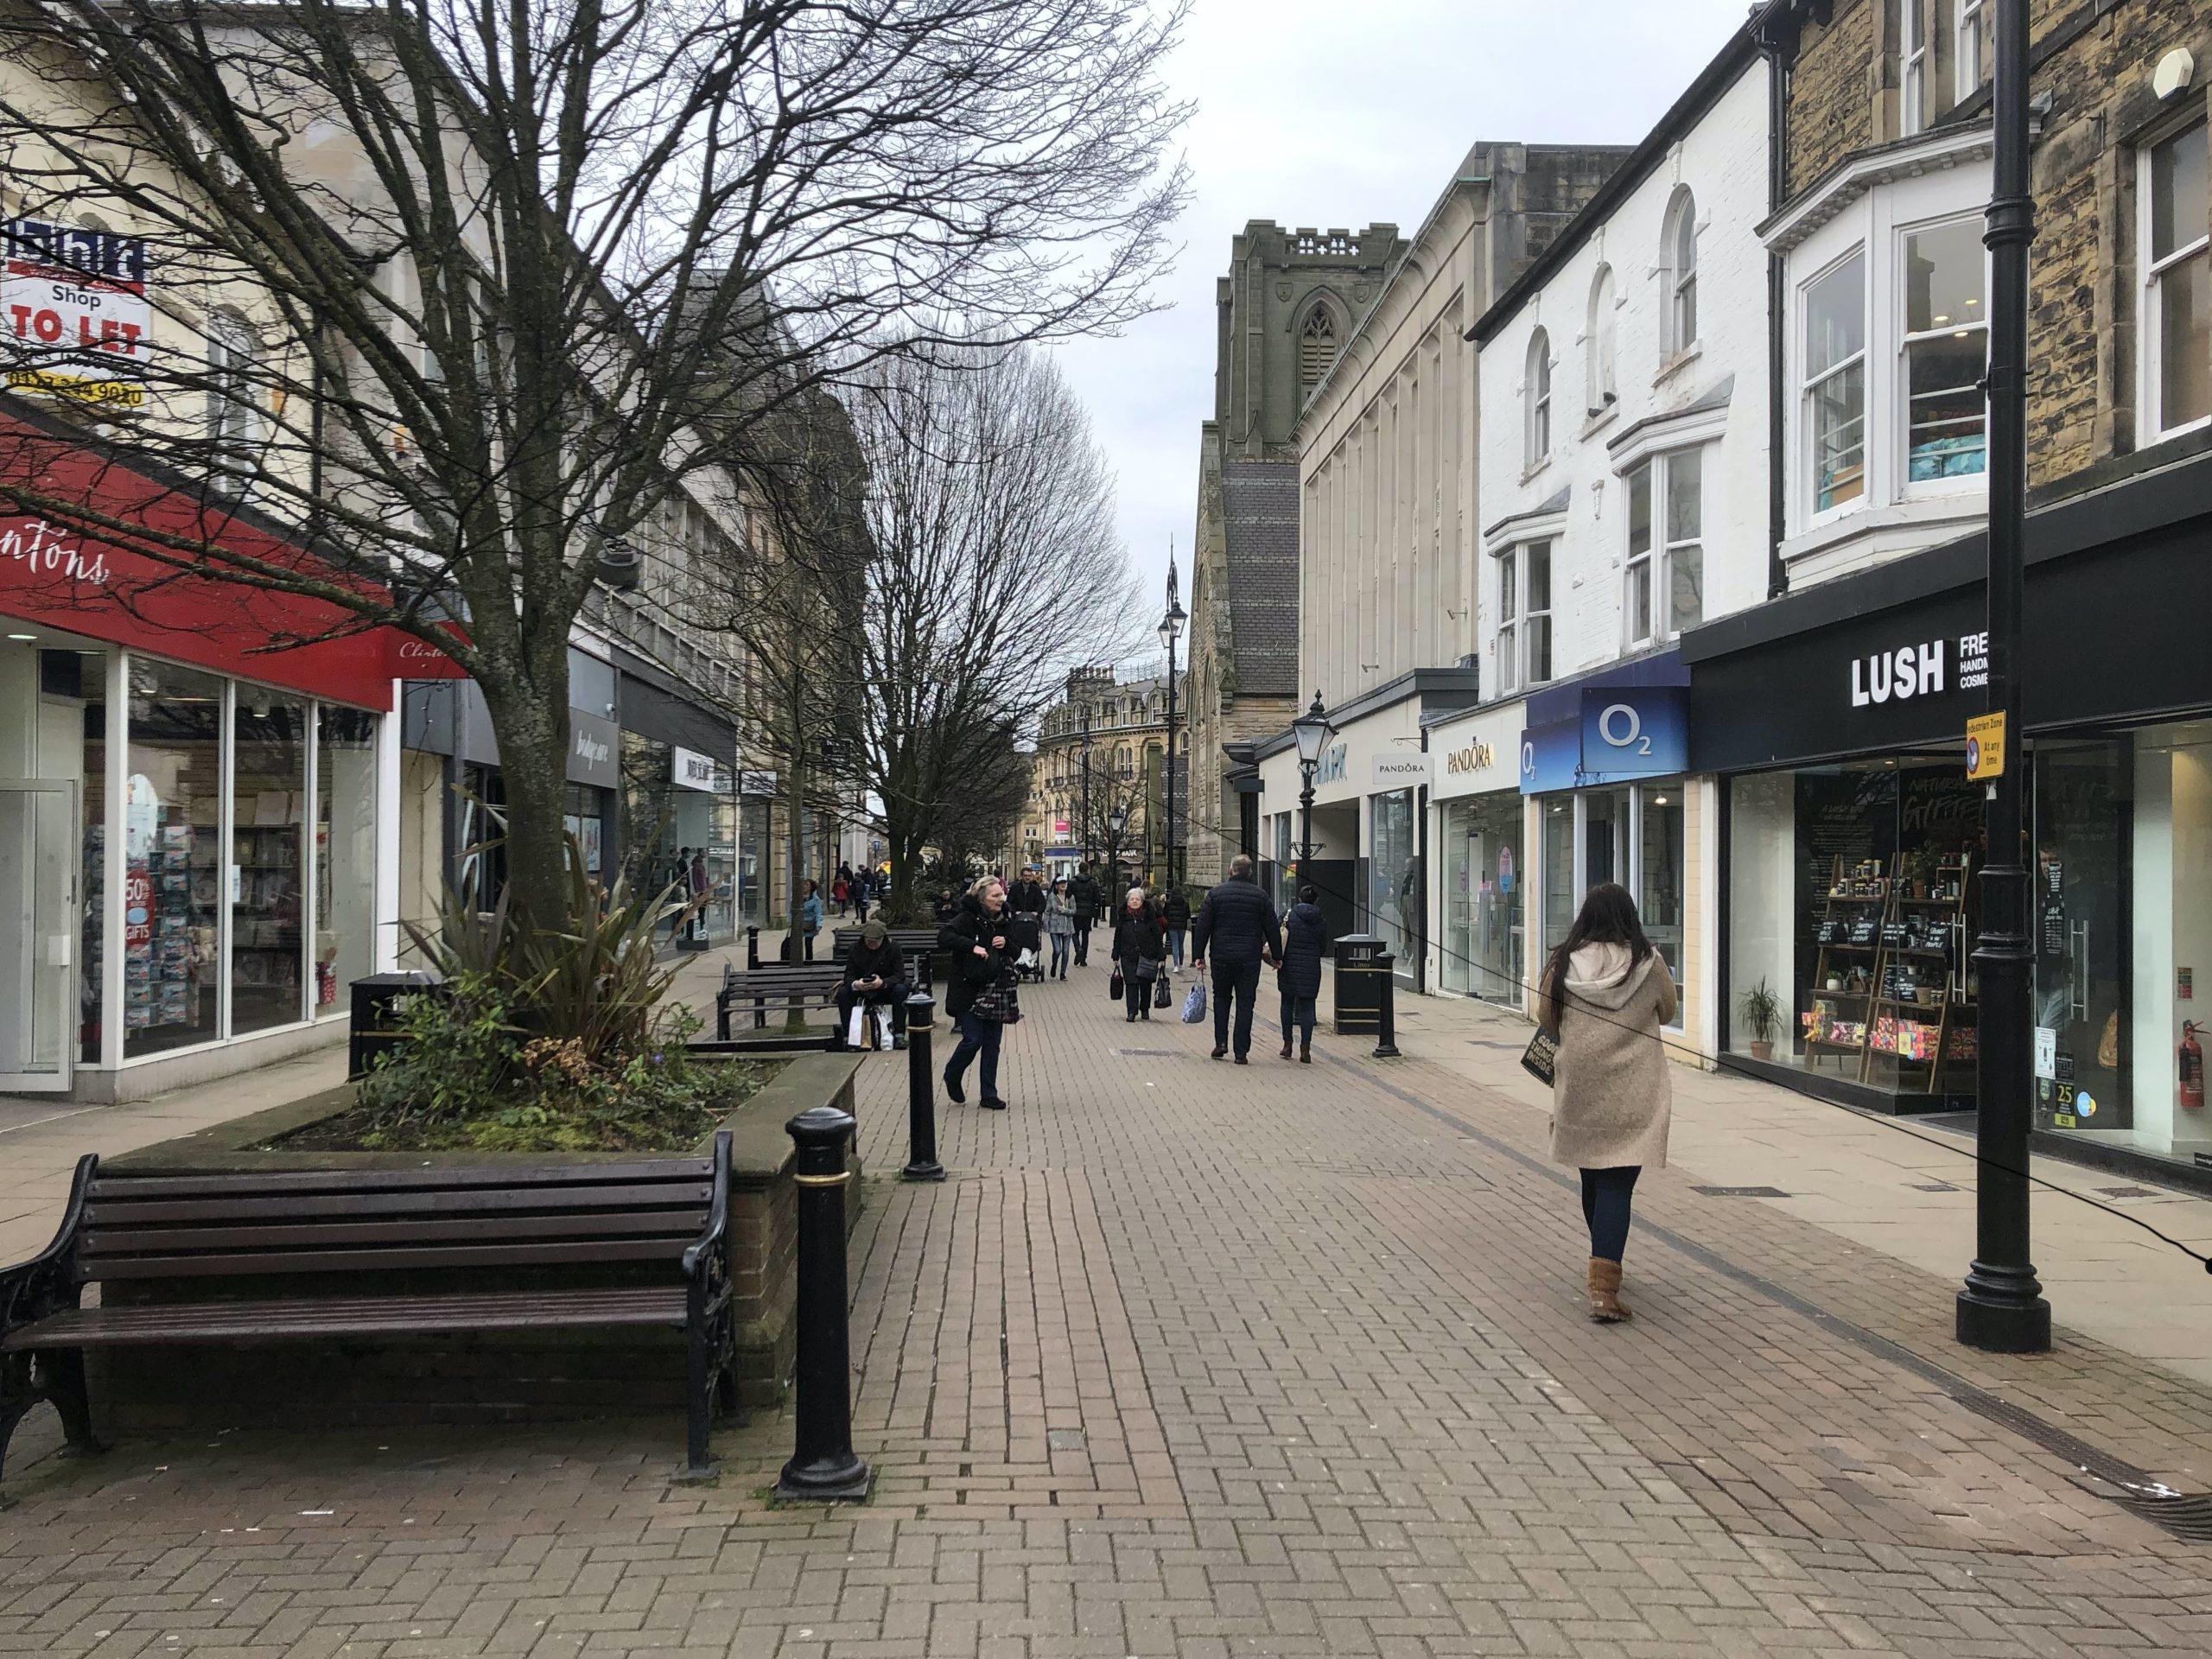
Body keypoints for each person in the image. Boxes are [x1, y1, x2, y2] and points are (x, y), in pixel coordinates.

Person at [1531, 882, 1677, 1325]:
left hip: (1580, 1084)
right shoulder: (1647, 963)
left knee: (1593, 1176)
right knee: (1618, 1183)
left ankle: (1603, 1264)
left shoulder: (1561, 962)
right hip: (1635, 1088)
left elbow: (1544, 1016)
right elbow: (1668, 1011)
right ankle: (1604, 1284)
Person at [1192, 854, 1281, 1064]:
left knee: (1221, 999)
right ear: (1250, 873)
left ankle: (1221, 1043)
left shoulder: (1215, 895)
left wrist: (1198, 956)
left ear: (1230, 871)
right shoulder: (1261, 897)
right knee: (1245, 1002)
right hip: (1249, 958)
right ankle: (1241, 1052)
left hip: (1221, 956)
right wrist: (1277, 956)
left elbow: (1203, 927)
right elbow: (1272, 929)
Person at [938, 875, 1015, 1110]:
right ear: (982, 898)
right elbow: (944, 938)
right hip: (969, 989)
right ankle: (952, 1074)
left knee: (992, 1044)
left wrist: (1007, 943)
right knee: (973, 1040)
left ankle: (989, 1094)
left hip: (997, 988)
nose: (1000, 900)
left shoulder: (1004, 919)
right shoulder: (967, 918)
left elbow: (1017, 948)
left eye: (1001, 895)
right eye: (995, 896)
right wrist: (972, 946)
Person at [1275, 884, 1331, 1063]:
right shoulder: (1320, 919)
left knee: (1287, 1004)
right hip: (1311, 967)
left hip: (1289, 965)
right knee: (1308, 1007)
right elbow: (1323, 946)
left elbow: (1278, 936)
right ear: (1316, 900)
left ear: (1299, 898)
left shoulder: (1289, 915)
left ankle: (1287, 1044)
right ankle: (1305, 1049)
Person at [836, 918, 908, 1049]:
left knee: (901, 990)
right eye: (869, 941)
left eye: (875, 942)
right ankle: (849, 1036)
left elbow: (899, 975)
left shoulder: (893, 948)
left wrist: (883, 983)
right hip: (862, 990)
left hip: (885, 989)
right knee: (843, 993)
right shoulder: (854, 949)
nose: (872, 944)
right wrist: (856, 984)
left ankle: (899, 1035)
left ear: (883, 938)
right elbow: (848, 975)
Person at [1111, 885, 1164, 1022]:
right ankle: (1132, 1011)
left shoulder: (1149, 915)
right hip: (1128, 954)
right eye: (1132, 899)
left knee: (1145, 983)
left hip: (1147, 953)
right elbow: (1118, 936)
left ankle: (1144, 1008)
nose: (1134, 902)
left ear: (1142, 902)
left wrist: (1161, 956)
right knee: (1131, 983)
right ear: (1128, 902)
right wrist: (1115, 955)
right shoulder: (1123, 916)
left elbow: (1157, 935)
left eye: (1137, 899)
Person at [1044, 877, 1076, 980]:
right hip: (1055, 926)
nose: (1063, 885)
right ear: (1056, 885)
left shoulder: (1070, 897)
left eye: (1064, 883)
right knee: (1058, 950)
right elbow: (1047, 911)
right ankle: (1054, 964)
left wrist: (1065, 910)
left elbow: (1074, 911)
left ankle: (1062, 973)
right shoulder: (1052, 896)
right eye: (1061, 883)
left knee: (1066, 951)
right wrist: (1046, 925)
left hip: (1067, 927)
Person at [1070, 863, 1100, 966]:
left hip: (1076, 911)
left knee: (1074, 932)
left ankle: (1078, 949)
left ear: (1079, 869)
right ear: (1088, 869)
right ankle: (1083, 960)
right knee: (1085, 934)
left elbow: (1068, 896)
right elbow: (1097, 898)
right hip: (1088, 912)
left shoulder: (1073, 882)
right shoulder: (1093, 882)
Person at [1160, 885, 1191, 969]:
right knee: (1181, 945)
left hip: (1172, 926)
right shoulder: (1185, 903)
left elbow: (1165, 914)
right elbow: (1188, 915)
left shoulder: (1168, 903)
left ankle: (1176, 965)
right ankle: (1181, 963)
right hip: (1182, 926)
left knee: (1175, 945)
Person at [798, 878, 826, 960]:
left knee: (808, 944)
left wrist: (819, 924)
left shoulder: (815, 899)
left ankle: (809, 962)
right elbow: (791, 911)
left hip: (809, 925)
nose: (804, 887)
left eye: (807, 885)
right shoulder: (797, 898)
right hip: (798, 924)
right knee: (796, 944)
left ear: (811, 888)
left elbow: (818, 913)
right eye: (803, 884)